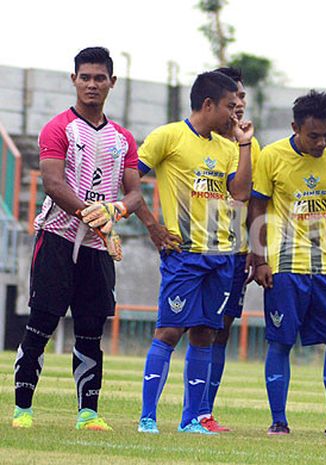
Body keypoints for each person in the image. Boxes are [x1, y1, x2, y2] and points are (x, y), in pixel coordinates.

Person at [12, 46, 143, 430]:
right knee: (40, 324)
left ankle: (88, 413)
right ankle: (22, 409)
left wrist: (115, 211)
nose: (91, 84)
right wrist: (94, 214)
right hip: (56, 238)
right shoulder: (58, 127)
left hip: (96, 248)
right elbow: (52, 183)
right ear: (73, 80)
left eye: (99, 78)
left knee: (90, 331)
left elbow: (134, 192)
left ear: (111, 83)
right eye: (84, 77)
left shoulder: (123, 138)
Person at [135, 71, 254, 435]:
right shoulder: (168, 137)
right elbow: (129, 180)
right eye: (230, 108)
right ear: (208, 105)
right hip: (184, 254)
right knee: (169, 332)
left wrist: (245, 144)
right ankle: (148, 418)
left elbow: (242, 192)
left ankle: (191, 420)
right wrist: (152, 225)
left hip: (221, 256)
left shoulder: (227, 146)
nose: (235, 116)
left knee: (205, 334)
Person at [248, 90, 326, 437]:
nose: (322, 142)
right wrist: (260, 258)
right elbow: (257, 208)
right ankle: (279, 421)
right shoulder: (272, 156)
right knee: (281, 342)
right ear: (295, 126)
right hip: (285, 266)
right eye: (314, 135)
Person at [195, 67, 261, 433]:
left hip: (233, 253)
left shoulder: (248, 145)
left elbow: (253, 200)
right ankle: (167, 410)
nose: (238, 106)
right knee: (179, 329)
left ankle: (205, 410)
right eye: (231, 100)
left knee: (219, 330)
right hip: (193, 251)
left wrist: (255, 249)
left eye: (242, 99)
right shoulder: (187, 139)